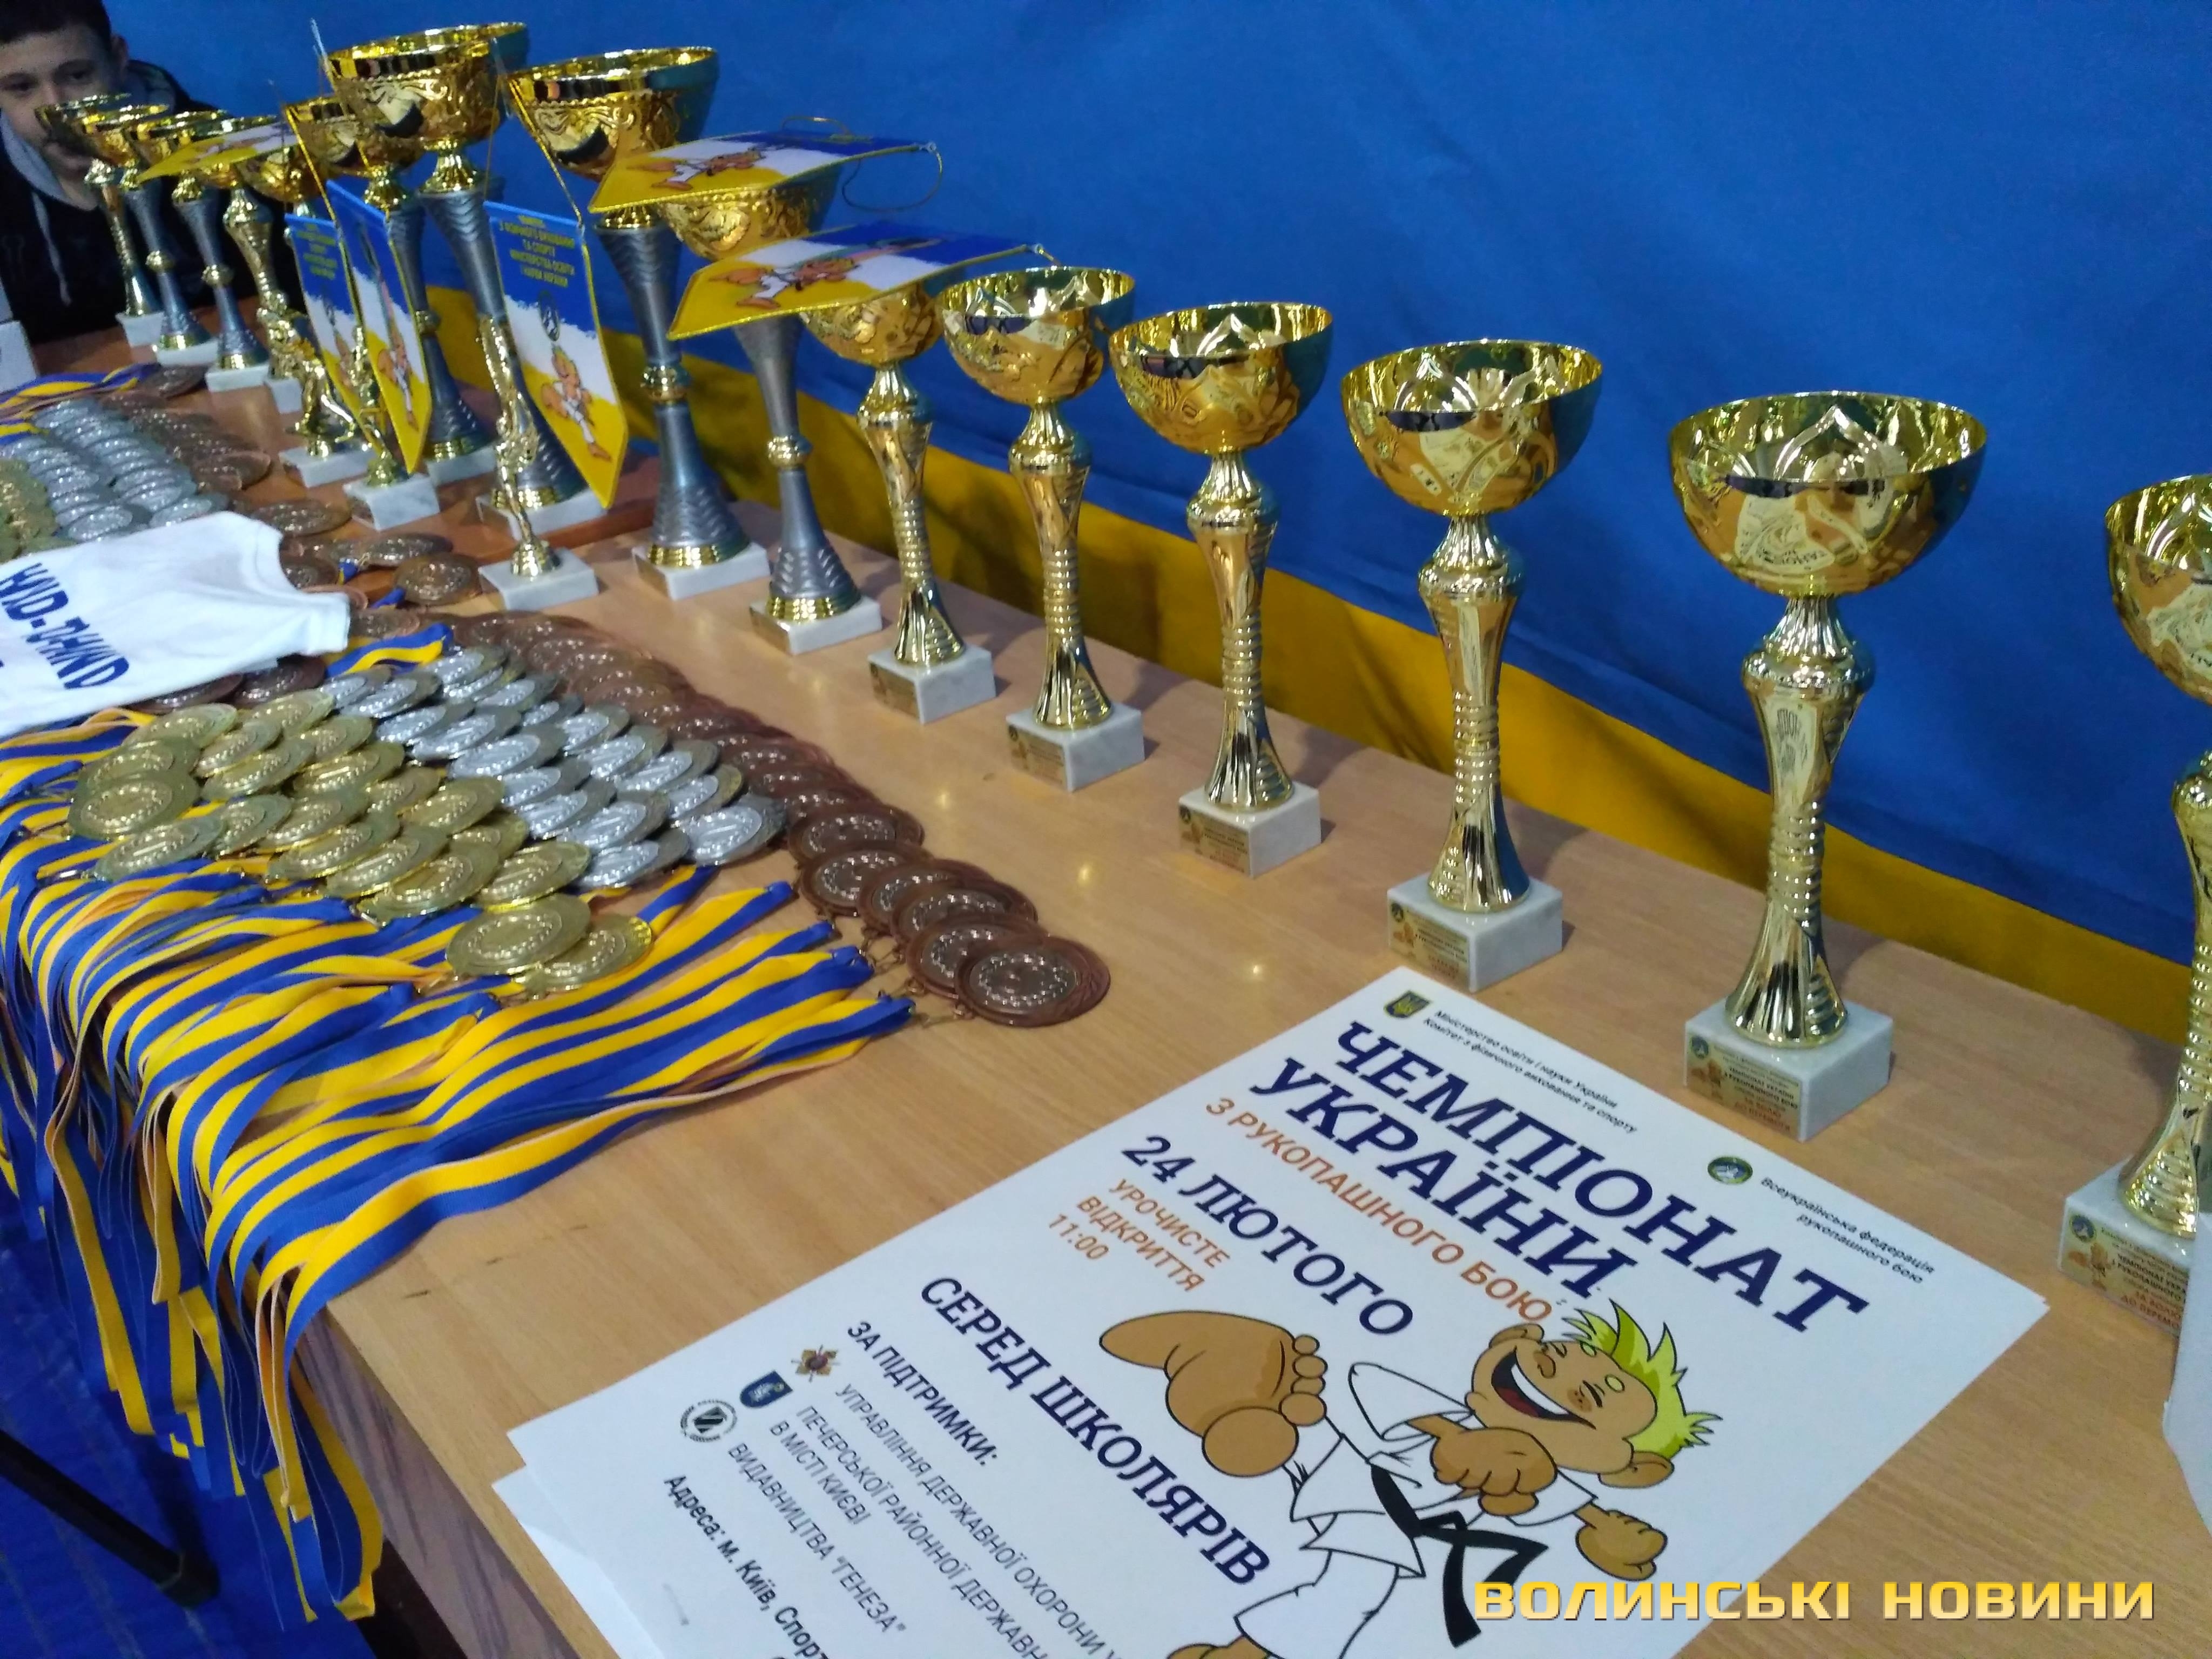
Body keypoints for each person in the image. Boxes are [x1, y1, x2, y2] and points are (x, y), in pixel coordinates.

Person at [0, 0, 203, 343]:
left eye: (78, 76)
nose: (56, 110)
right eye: (22, 87)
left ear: (118, 58)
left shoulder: (217, 153)